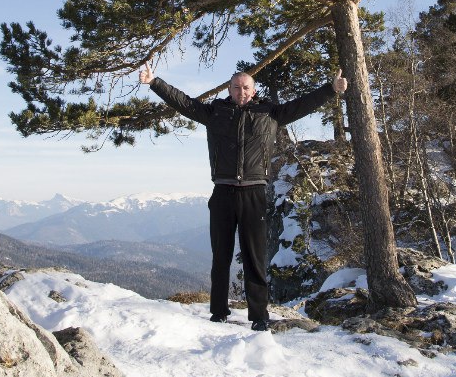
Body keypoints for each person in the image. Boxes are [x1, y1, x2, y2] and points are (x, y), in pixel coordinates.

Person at [139, 63, 347, 330]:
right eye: (236, 87)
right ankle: (218, 312)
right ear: (229, 89)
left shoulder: (269, 113)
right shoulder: (215, 113)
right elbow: (184, 103)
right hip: (222, 192)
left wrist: (330, 89)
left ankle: (259, 316)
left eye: (246, 87)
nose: (241, 92)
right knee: (221, 256)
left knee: (254, 257)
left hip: (254, 193)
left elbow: (302, 105)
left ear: (254, 90)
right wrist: (155, 82)